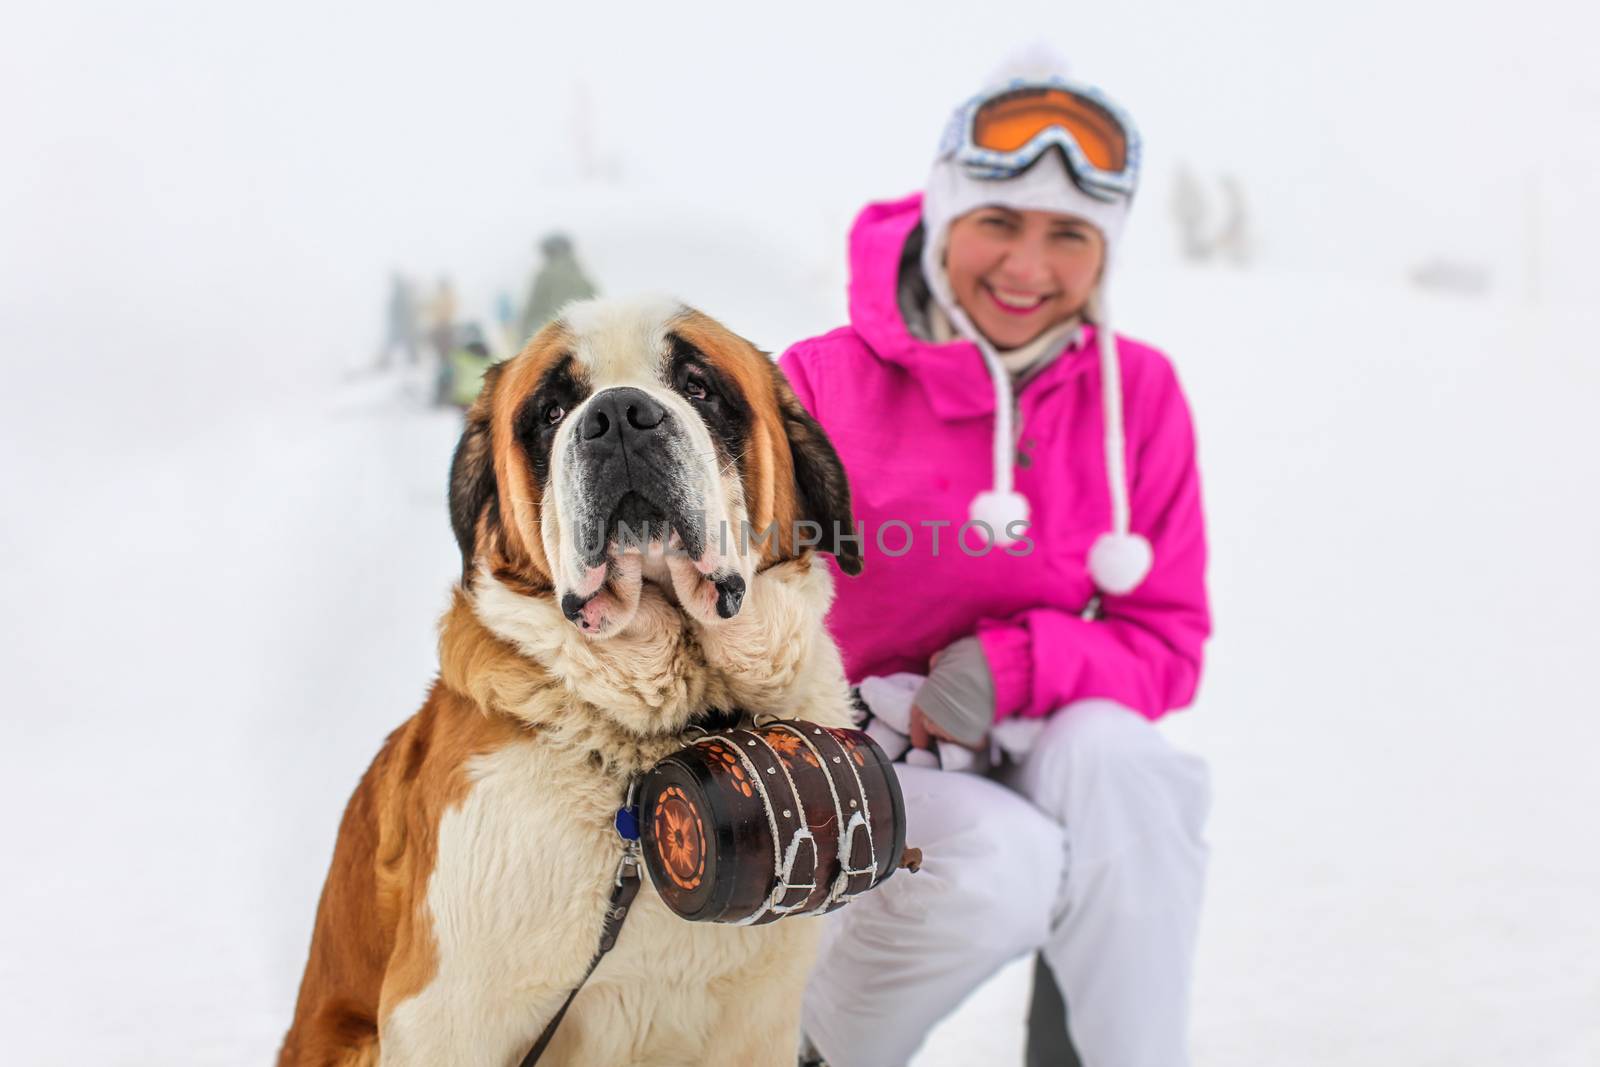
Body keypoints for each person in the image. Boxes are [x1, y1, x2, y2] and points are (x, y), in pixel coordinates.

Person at [779, 65, 1212, 1067]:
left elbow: (1165, 639)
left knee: (1130, 766)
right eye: (999, 222)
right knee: (999, 862)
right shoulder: (817, 382)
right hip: (847, 749)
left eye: (1070, 235)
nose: (1029, 265)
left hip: (1017, 724)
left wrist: (1004, 668)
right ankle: (810, 1048)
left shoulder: (1134, 395)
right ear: (942, 217)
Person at [517, 232, 598, 343]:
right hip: (585, 339)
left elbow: (531, 313)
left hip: (554, 341)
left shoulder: (544, 276)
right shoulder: (583, 277)